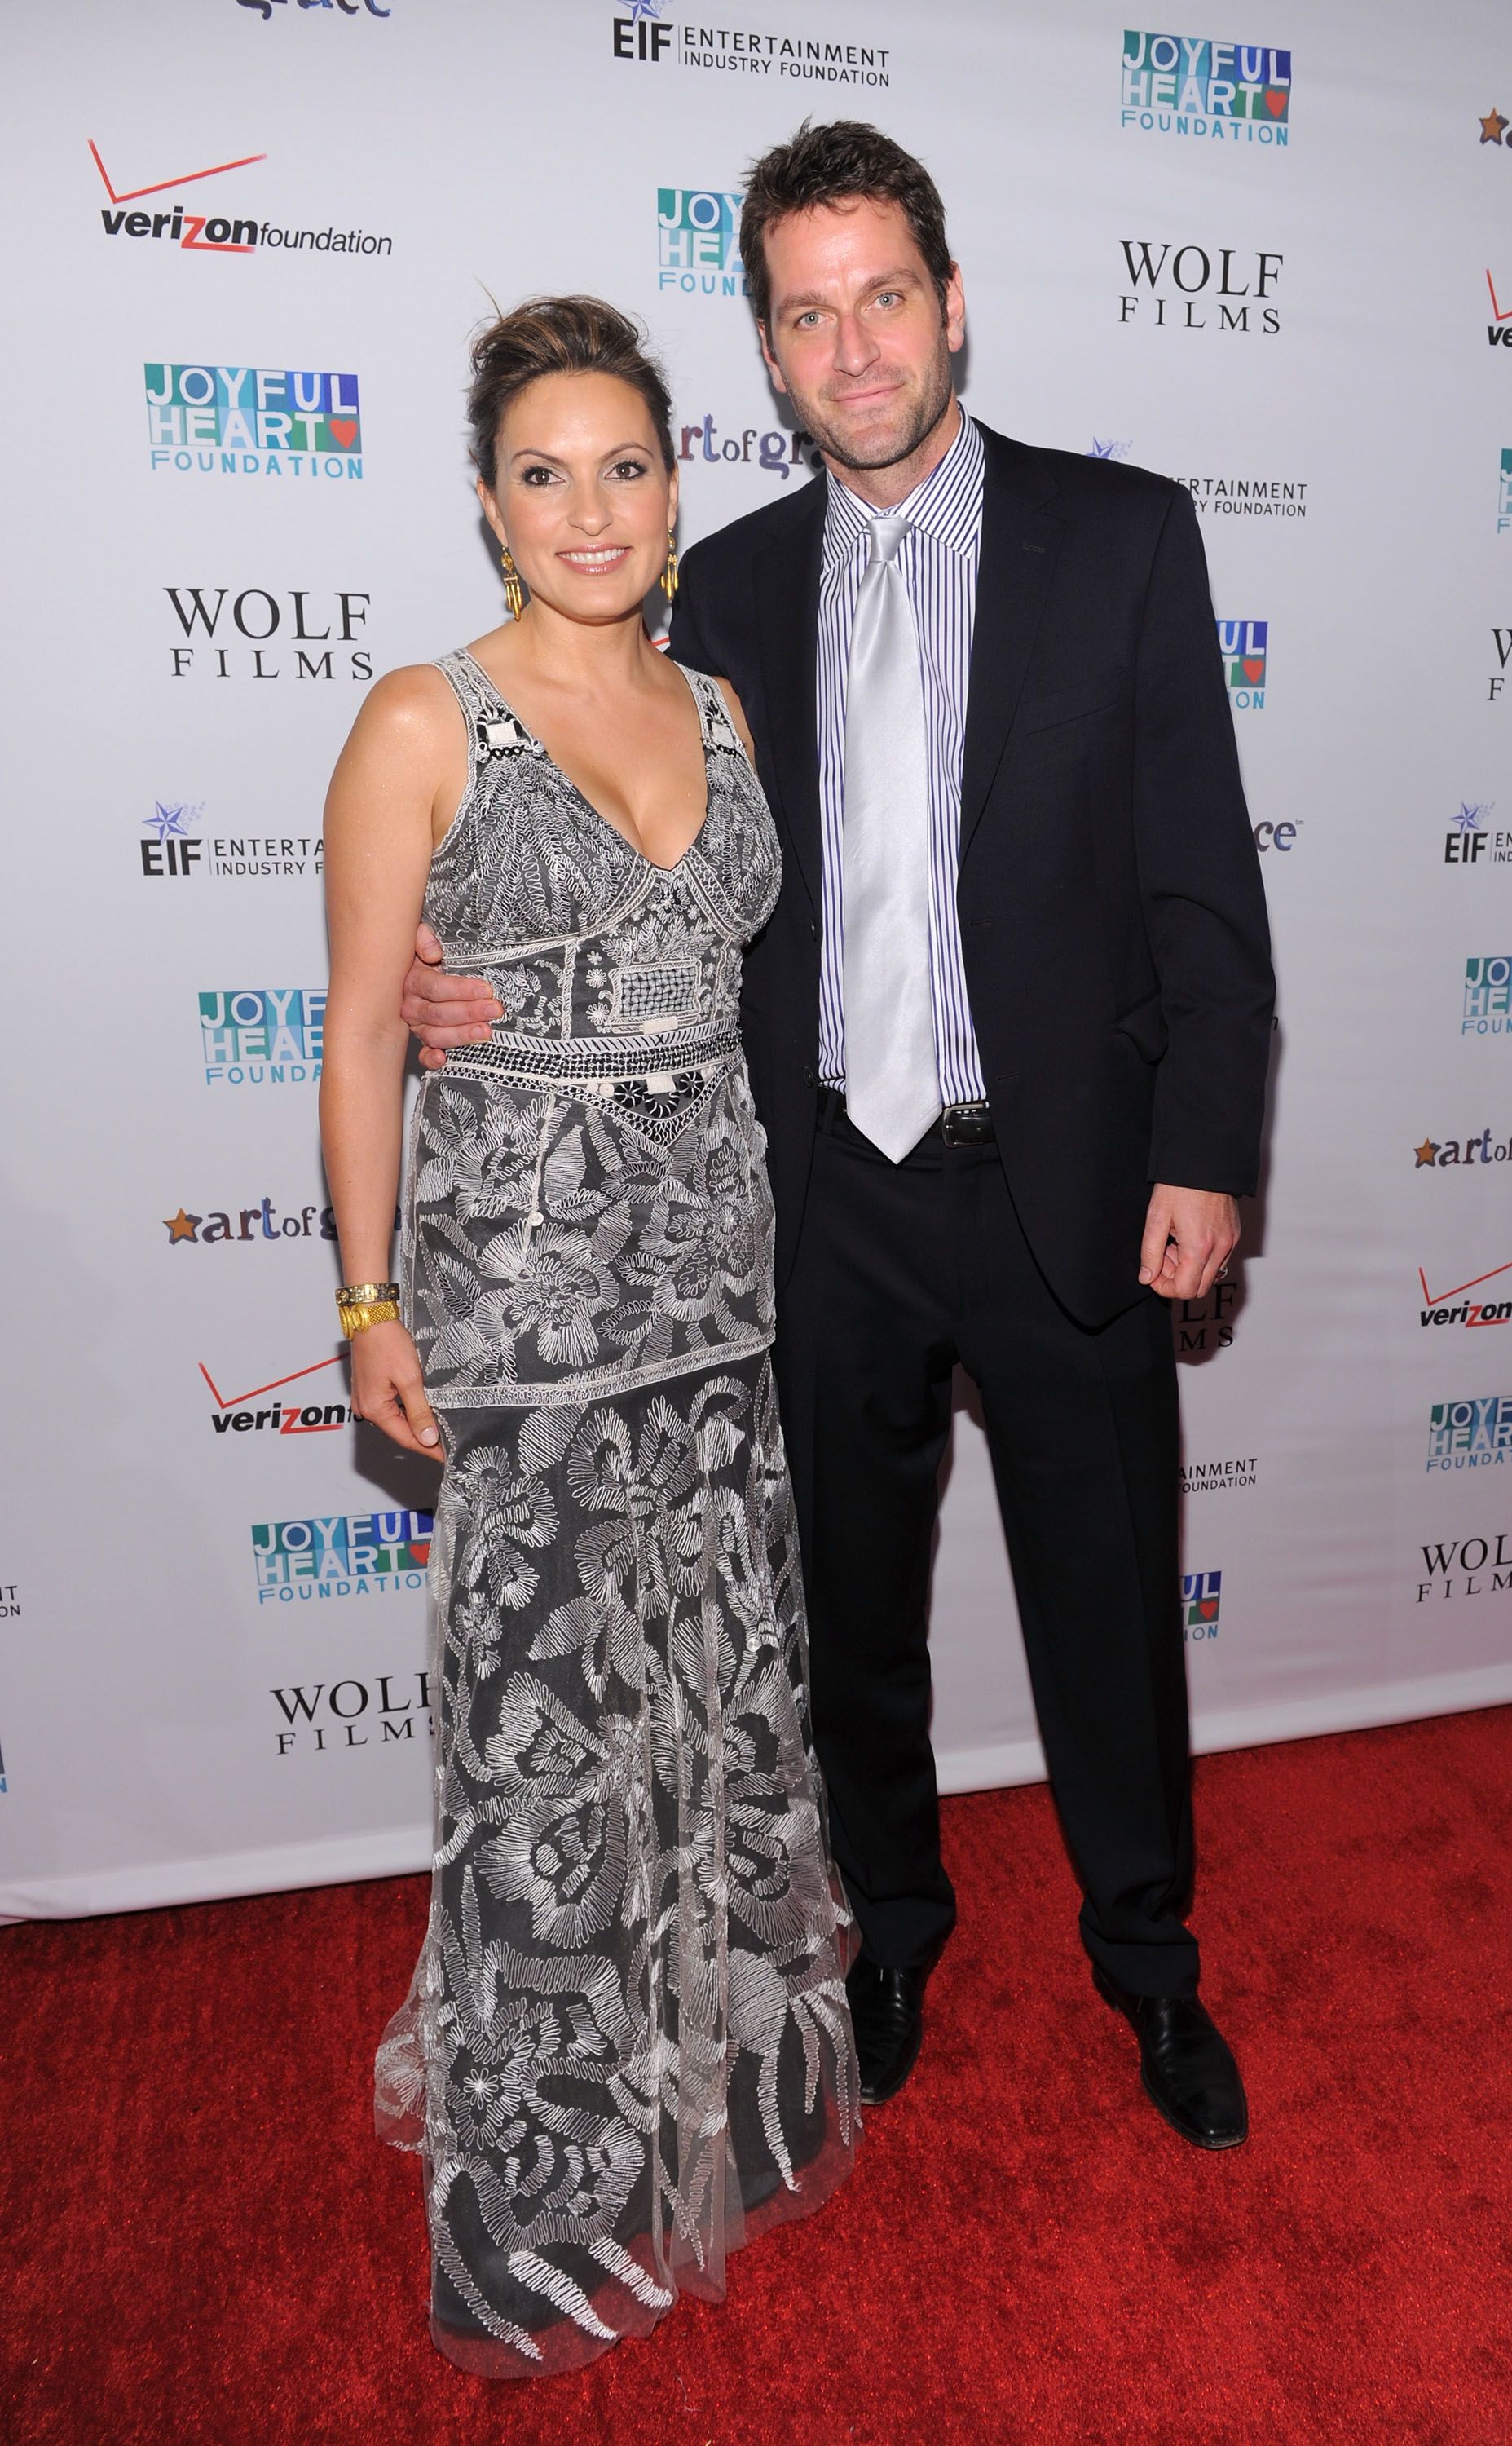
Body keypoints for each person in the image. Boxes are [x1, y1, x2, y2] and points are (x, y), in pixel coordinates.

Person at [403, 126, 1276, 2151]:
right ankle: (892, 1932)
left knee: (1107, 1608)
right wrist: (465, 988)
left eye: (886, 297)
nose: (856, 346)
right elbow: (619, 855)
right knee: (850, 1617)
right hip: (820, 1204)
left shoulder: (1124, 537)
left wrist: (1207, 1149)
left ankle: (1151, 1966)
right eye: (810, 314)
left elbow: (1202, 883)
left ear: (951, 304)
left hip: (1065, 1182)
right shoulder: (724, 592)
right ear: (772, 358)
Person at [320, 294, 857, 2378]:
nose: (590, 506)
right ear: (487, 503)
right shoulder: (420, 722)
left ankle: (700, 2100)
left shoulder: (723, 706)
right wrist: (367, 1297)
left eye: (625, 463)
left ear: (670, 480)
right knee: (544, 1755)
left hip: (720, 1311)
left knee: (714, 1722)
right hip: (524, 1328)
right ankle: (537, 2181)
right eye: (543, 472)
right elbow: (369, 1032)